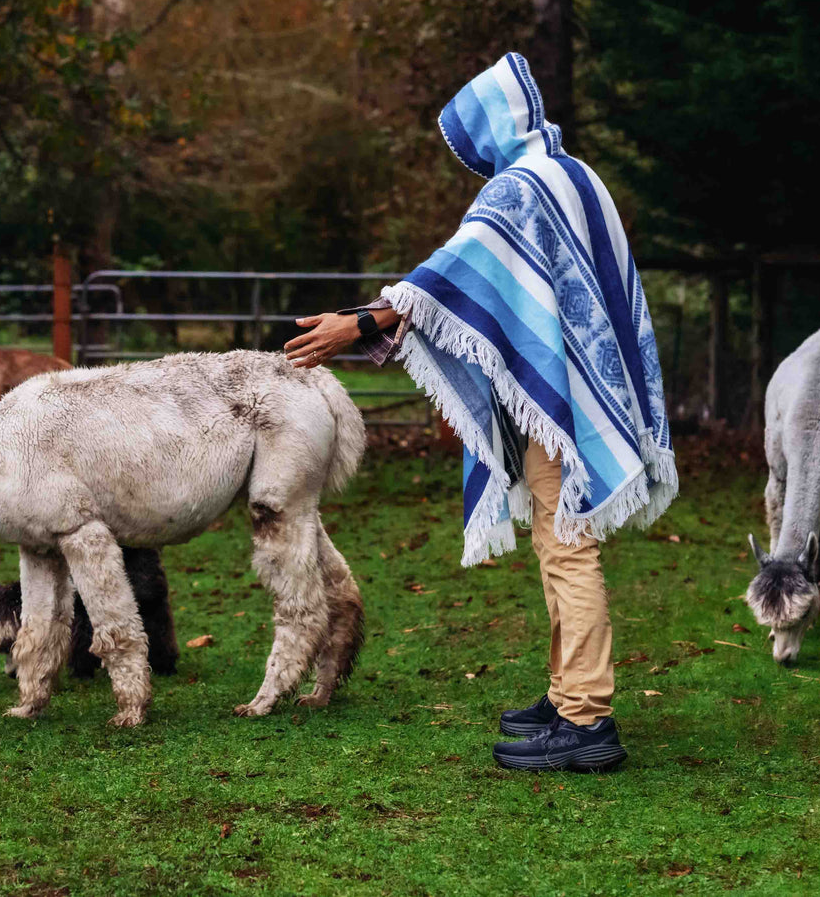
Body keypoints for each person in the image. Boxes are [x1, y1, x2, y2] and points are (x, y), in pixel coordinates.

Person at [285, 53, 677, 772]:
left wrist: (361, 321)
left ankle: (587, 718)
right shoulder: (575, 176)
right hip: (569, 389)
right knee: (557, 539)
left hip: (560, 396)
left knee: (568, 544)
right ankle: (565, 696)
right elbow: (492, 283)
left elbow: (455, 272)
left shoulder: (520, 188)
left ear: (491, 127)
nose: (475, 158)